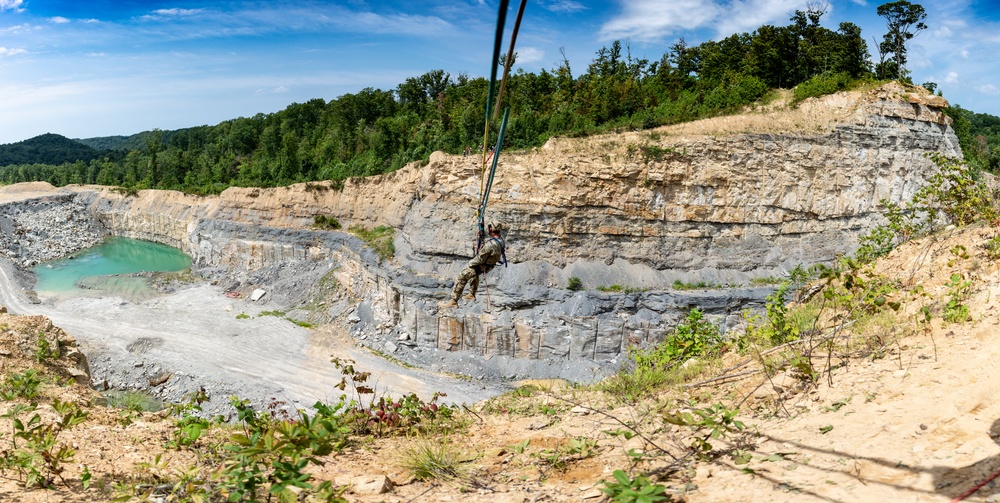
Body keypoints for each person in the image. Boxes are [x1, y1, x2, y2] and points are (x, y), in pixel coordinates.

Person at [440, 222, 508, 308]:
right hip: (488, 266)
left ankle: (453, 301)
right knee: (473, 274)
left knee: (462, 276)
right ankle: (472, 294)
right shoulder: (501, 241)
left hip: (482, 265)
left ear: (491, 229)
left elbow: (480, 258)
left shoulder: (490, 244)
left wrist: (470, 263)